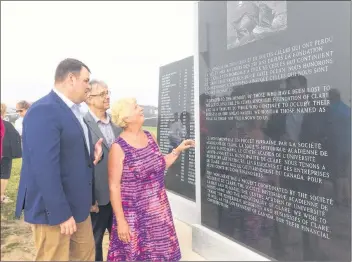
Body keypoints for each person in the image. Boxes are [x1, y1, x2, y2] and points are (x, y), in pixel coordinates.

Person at [15, 58, 104, 261]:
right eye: (85, 80)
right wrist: (61, 213)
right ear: (71, 79)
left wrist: (92, 156)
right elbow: (44, 168)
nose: (88, 86)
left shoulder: (74, 112)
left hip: (78, 207)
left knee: (85, 256)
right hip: (53, 212)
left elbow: (66, 154)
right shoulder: (43, 110)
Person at [107, 98, 195, 261]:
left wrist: (178, 150)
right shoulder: (118, 148)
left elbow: (160, 164)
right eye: (135, 107)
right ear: (126, 118)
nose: (140, 108)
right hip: (134, 217)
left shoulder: (150, 136)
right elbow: (114, 186)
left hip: (159, 214)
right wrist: (121, 221)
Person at [84, 80, 122, 261]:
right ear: (89, 98)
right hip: (97, 198)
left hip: (120, 196)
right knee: (94, 242)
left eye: (108, 92)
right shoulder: (82, 124)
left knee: (122, 240)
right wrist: (89, 198)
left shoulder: (118, 125)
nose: (107, 97)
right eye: (102, 94)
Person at [1, 103, 22, 204]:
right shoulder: (8, 125)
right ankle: (1, 196)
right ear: (4, 113)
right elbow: (16, 138)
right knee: (4, 174)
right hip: (5, 153)